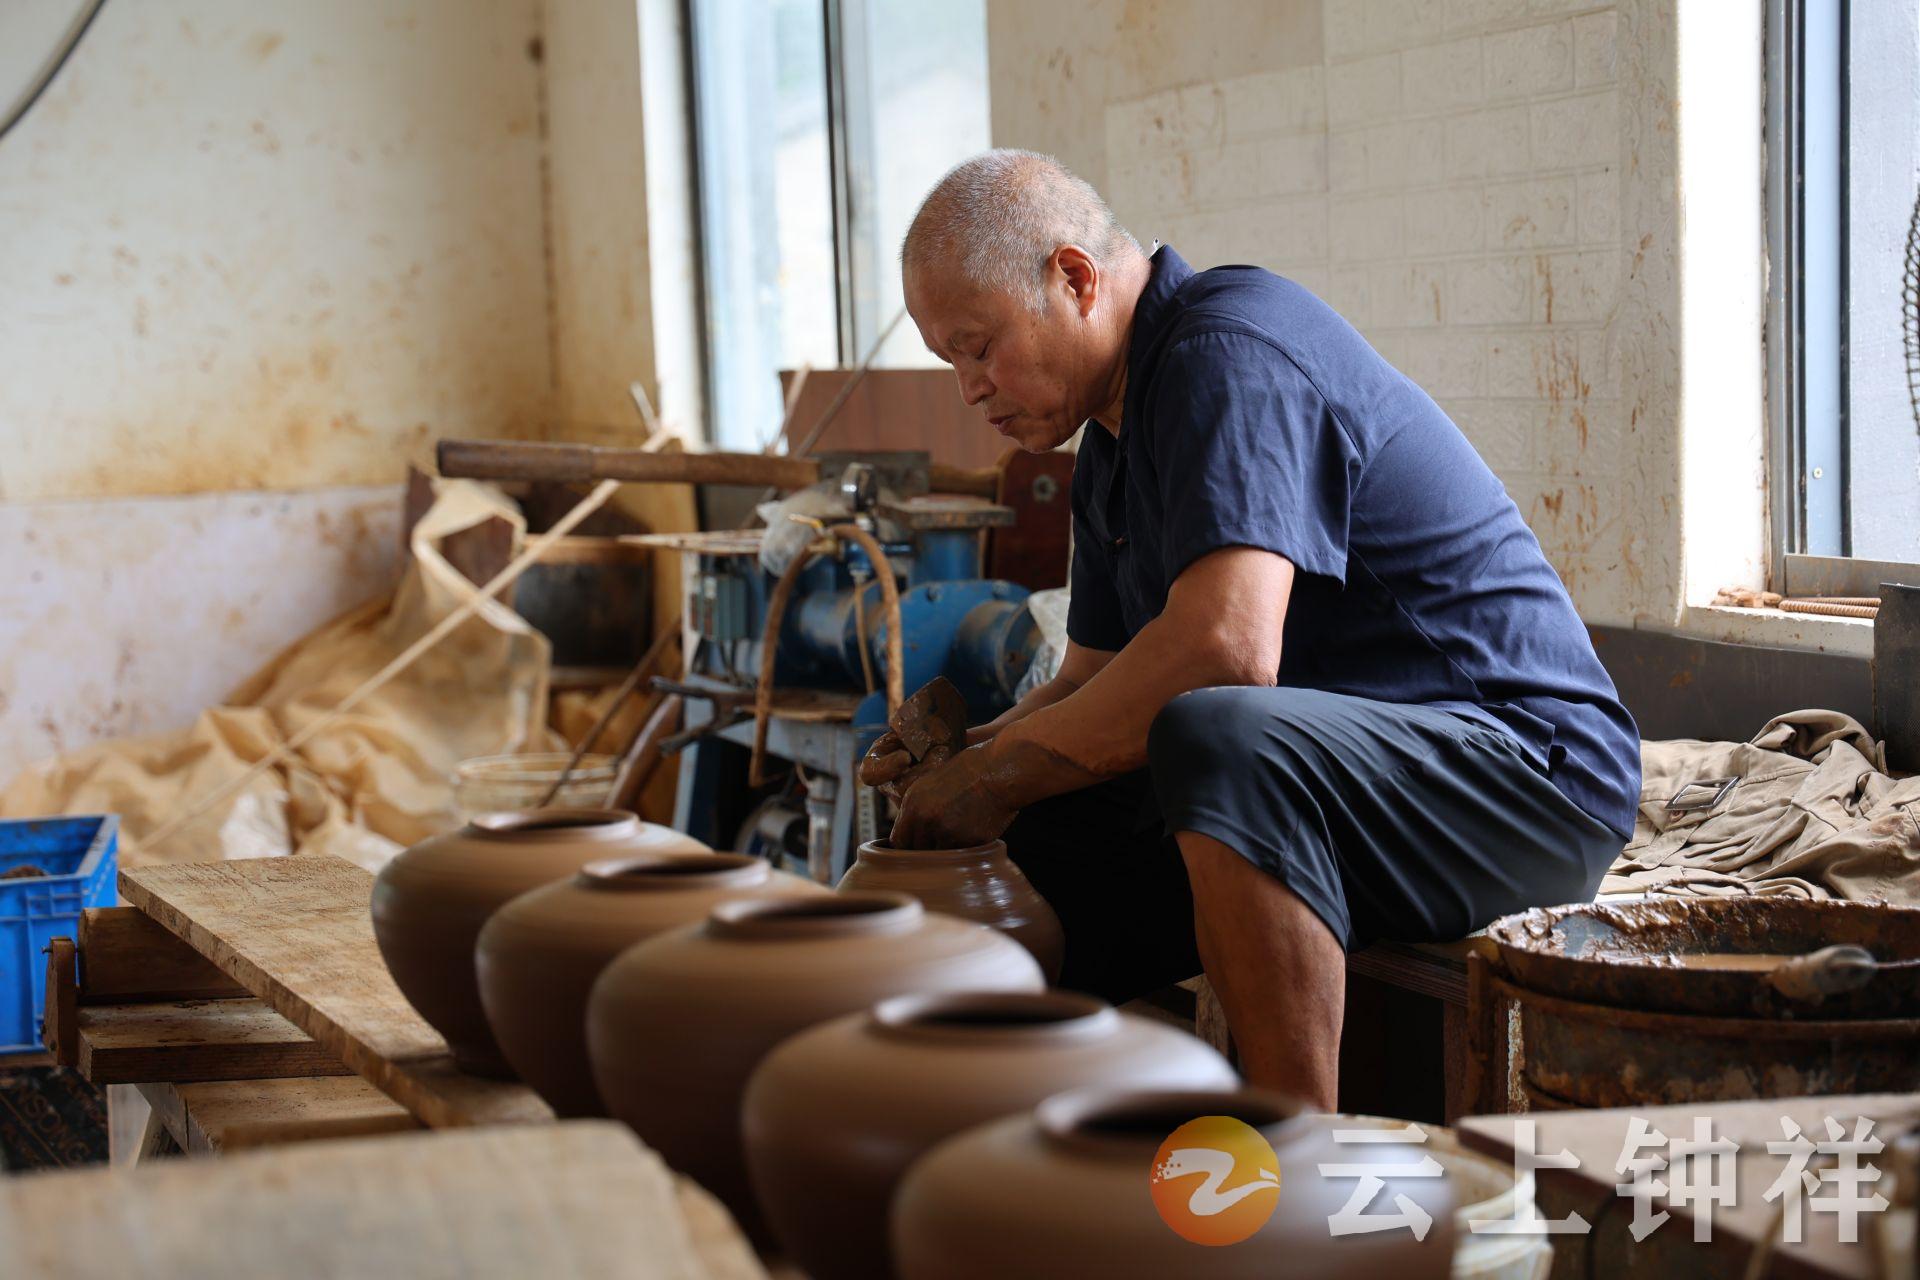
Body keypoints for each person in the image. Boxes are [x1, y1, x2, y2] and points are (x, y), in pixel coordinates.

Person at [862, 149, 1639, 1109]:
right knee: (1035, 826)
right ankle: (1005, 1134)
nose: (970, 388)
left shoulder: (1226, 352)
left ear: (1074, 278)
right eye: (950, 362)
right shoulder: (1106, 448)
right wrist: (964, 761)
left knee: (1208, 730)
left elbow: (1224, 654)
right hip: (1350, 785)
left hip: (1526, 778)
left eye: (979, 347)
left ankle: (1291, 1155)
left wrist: (994, 775)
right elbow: (1088, 686)